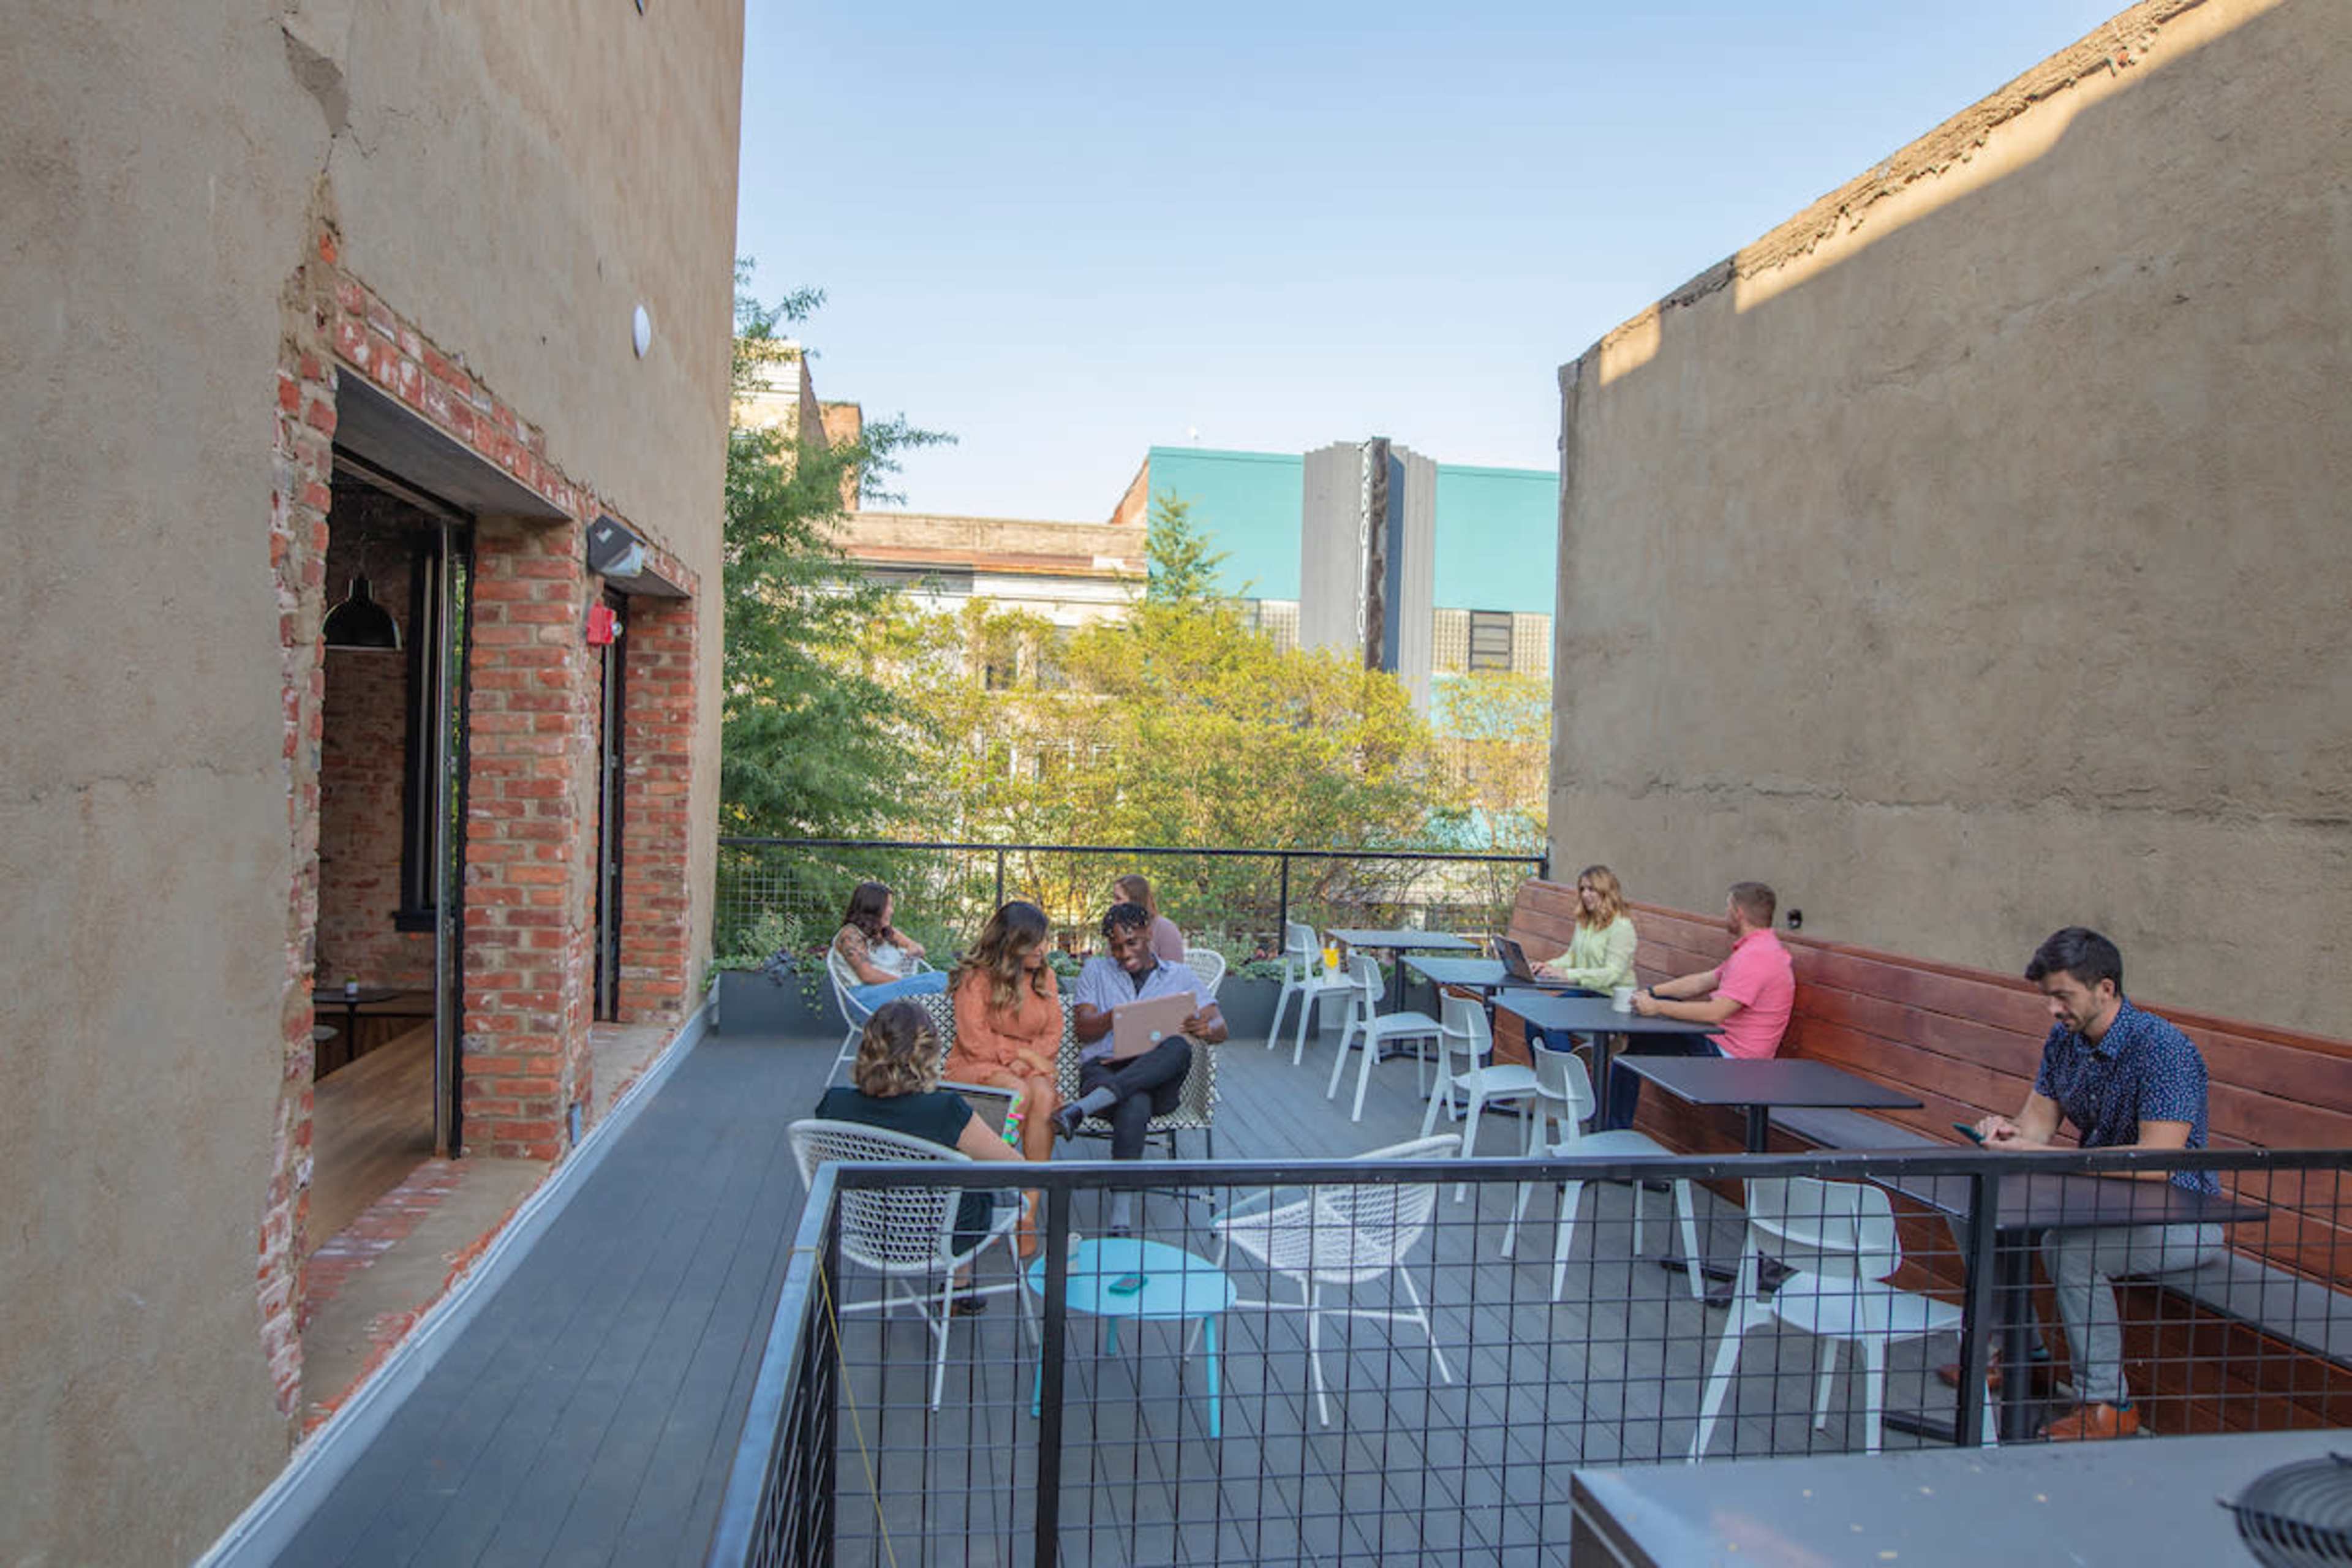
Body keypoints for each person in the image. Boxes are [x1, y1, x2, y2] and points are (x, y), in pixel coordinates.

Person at [1951, 927, 2223, 1440]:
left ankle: (2107, 1403)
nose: (2053, 1010)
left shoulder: (2164, 1049)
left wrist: (2038, 1153)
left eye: (2062, 996)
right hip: (2100, 1202)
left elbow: (2156, 1162)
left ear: (2106, 988)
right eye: (2047, 997)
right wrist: (2007, 1133)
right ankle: (2022, 1355)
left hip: (2184, 1217)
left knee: (2070, 1251)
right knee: (1975, 1214)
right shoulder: (2066, 1039)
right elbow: (2036, 1124)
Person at [813, 1000, 1028, 1307]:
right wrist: (1004, 1142)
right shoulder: (945, 1111)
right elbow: (1020, 1170)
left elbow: (825, 1169)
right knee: (971, 1179)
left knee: (958, 1173)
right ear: (925, 1053)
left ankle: (961, 1288)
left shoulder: (834, 1105)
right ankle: (959, 1288)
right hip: (941, 1237)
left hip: (867, 1232)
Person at [1058, 900, 1228, 1234]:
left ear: (1149, 934)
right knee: (1135, 1101)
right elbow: (1083, 1029)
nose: (1123, 954)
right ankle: (1121, 1220)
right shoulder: (1096, 970)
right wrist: (1118, 1016)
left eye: (1132, 942)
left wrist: (1208, 1029)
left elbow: (1221, 1026)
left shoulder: (1179, 975)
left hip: (1159, 1079)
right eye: (1117, 947)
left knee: (1178, 1046)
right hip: (1104, 1069)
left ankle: (1080, 1110)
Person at [1611, 881, 1792, 1131]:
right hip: (1721, 1048)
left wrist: (1658, 1008)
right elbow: (1700, 982)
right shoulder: (1758, 949)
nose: (1724, 914)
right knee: (1632, 1054)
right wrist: (1653, 993)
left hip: (1732, 1064)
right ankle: (1613, 1132)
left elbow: (1715, 1013)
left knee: (1643, 1039)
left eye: (1726, 907)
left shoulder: (1756, 958)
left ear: (1738, 913)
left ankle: (1612, 1131)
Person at [947, 900, 1066, 1170]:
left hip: (1027, 1066)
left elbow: (1053, 1032)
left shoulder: (1046, 977)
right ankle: (995, 1177)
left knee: (1043, 1095)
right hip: (975, 1065)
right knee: (1018, 1093)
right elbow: (974, 1041)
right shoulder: (976, 977)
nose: (1043, 949)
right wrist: (1021, 1053)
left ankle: (1030, 1205)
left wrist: (1024, 1060)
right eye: (1034, 942)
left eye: (1044, 940)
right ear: (1012, 943)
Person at [831, 880, 948, 1008]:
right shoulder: (850, 935)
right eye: (888, 906)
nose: (892, 911)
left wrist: (914, 950)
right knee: (939, 981)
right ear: (873, 907)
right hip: (863, 998)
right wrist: (907, 984)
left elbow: (916, 947)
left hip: (888, 991)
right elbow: (867, 975)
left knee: (943, 982)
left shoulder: (886, 931)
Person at [1538, 864, 1638, 992]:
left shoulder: (1621, 927)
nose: (1585, 895)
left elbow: (1613, 973)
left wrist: (1568, 975)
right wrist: (1548, 966)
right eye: (1582, 889)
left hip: (1611, 997)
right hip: (1586, 989)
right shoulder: (1585, 921)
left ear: (1606, 892)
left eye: (1591, 889)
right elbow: (1572, 957)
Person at [1112, 873, 1185, 963]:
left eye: (1118, 899)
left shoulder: (1166, 930)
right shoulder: (1117, 930)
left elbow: (1174, 973)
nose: (1113, 904)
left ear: (1135, 901)